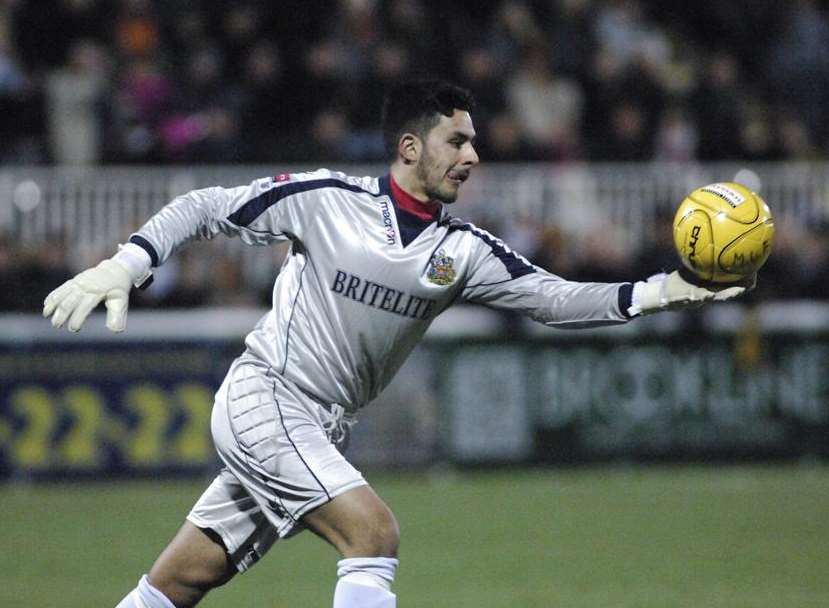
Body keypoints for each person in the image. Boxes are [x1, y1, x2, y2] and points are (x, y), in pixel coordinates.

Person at [43, 79, 747, 608]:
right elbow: (202, 206)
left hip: (316, 428)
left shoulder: (462, 251)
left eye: (473, 141)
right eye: (457, 140)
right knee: (372, 534)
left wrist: (662, 290)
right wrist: (127, 263)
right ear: (410, 147)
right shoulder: (326, 199)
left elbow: (555, 299)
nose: (473, 154)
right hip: (266, 399)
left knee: (181, 580)